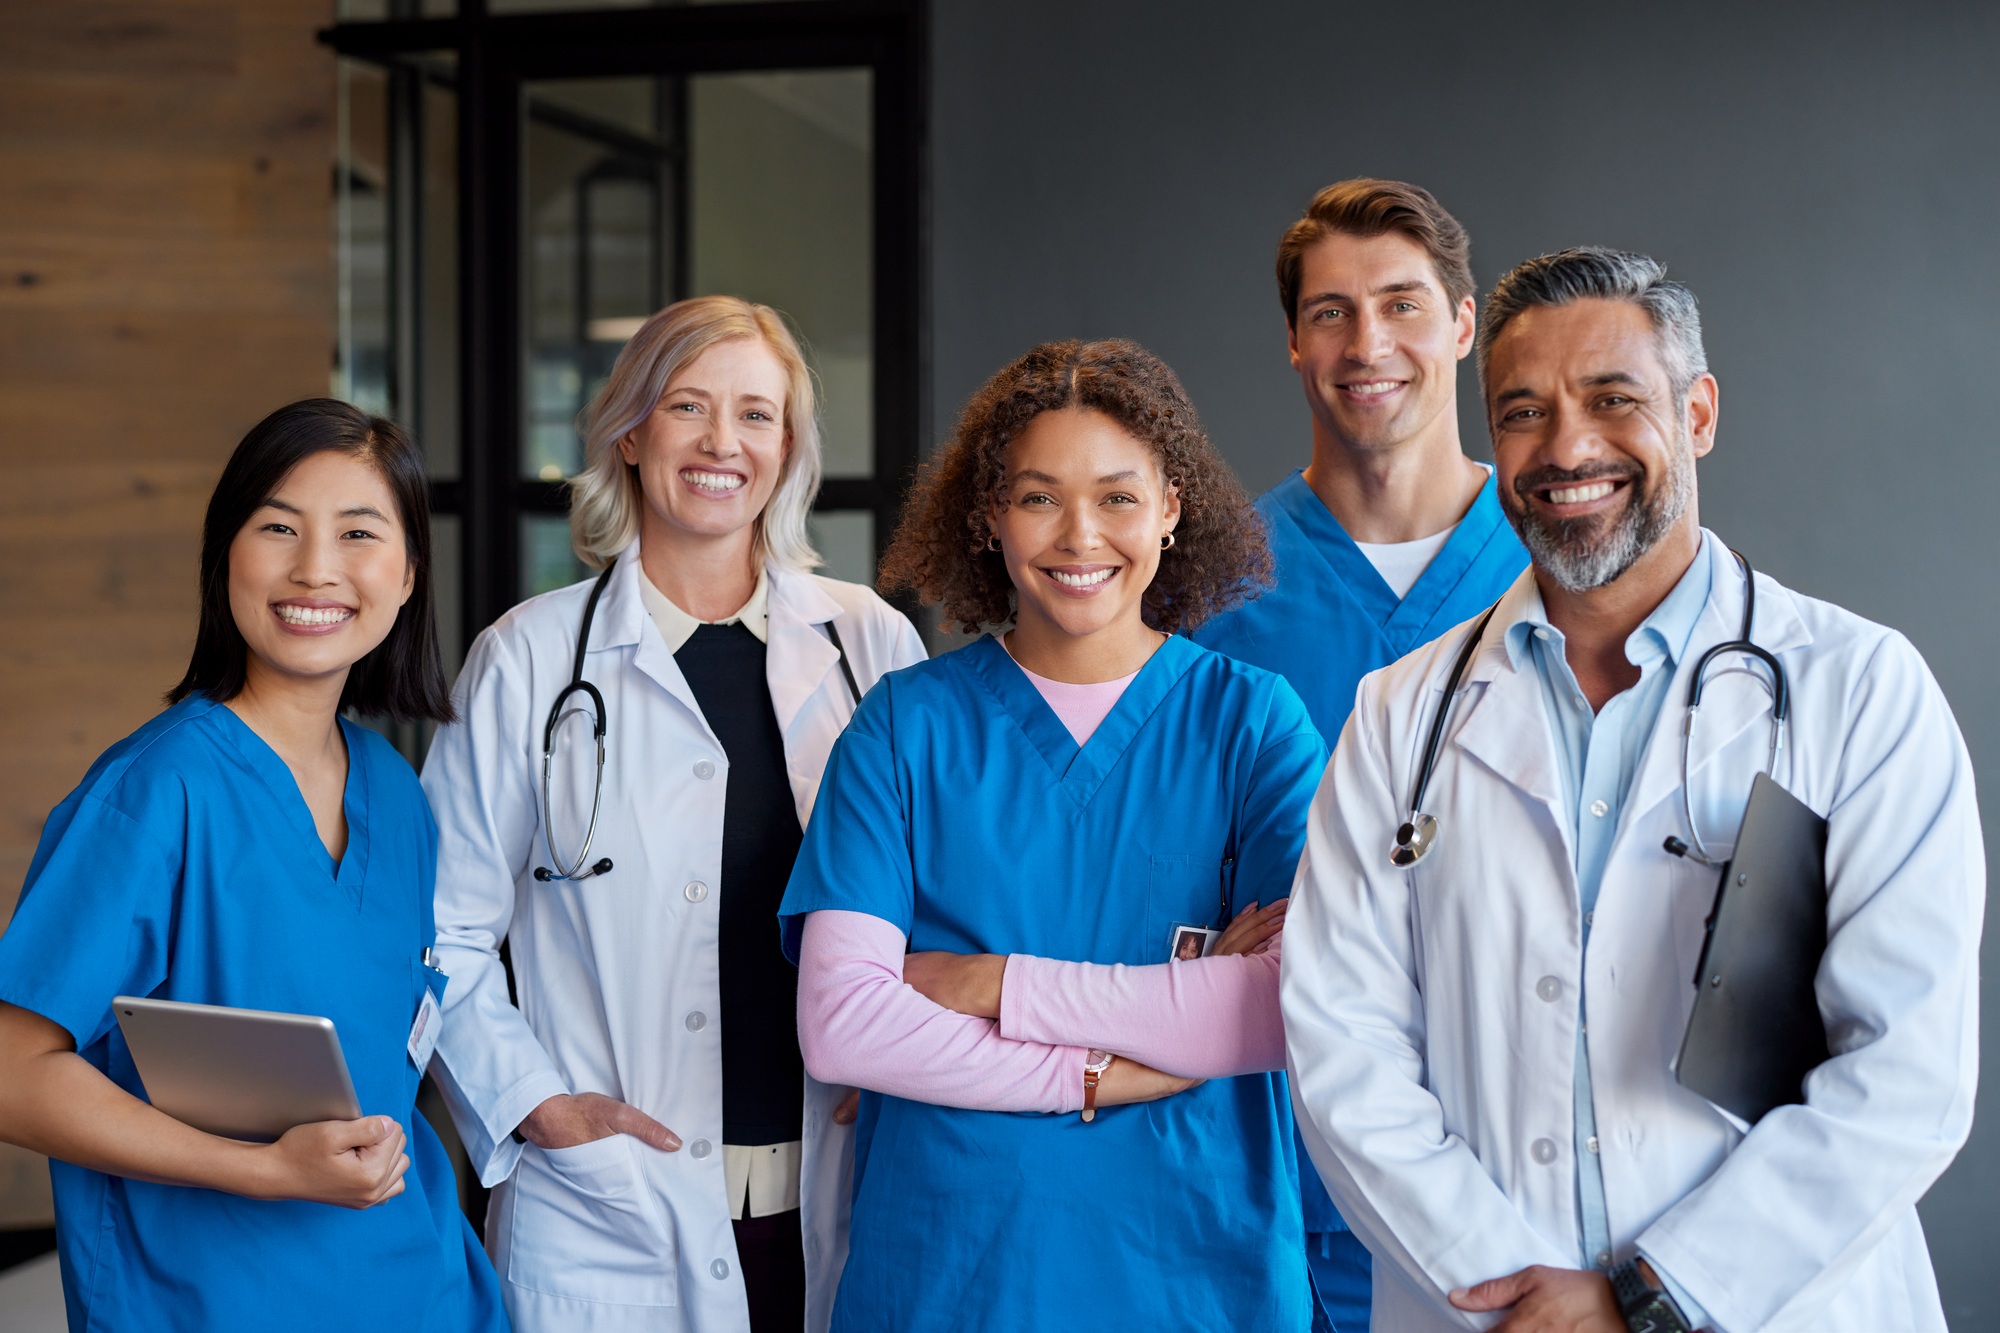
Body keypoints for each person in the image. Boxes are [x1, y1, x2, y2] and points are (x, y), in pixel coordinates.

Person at [1282, 248, 1982, 1332]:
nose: (1566, 448)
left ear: (1696, 414)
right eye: (1523, 412)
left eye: (1612, 399)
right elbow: (1341, 1049)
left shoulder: (1857, 692)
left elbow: (1904, 1069)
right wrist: (1521, 1302)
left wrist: (1651, 1298)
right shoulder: (1398, 717)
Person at [779, 339, 1326, 1331]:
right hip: (954, 1275)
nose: (1080, 535)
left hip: (1194, 1276)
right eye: (1038, 497)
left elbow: (1284, 1010)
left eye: (1118, 497)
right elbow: (843, 1023)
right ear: (989, 515)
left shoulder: (1252, 725)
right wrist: (1111, 1066)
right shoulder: (904, 727)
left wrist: (992, 983)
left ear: (1170, 508)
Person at [421, 296, 924, 1333]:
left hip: (838, 1191)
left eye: (755, 414)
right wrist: (533, 1105)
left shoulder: (867, 644)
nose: (720, 442)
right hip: (613, 1207)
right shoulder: (527, 658)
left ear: (788, 449)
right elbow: (442, 931)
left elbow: (939, 902)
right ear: (629, 433)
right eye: (687, 405)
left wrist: (907, 1043)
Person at [0, 400, 505, 1332]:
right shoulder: (157, 791)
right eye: (278, 527)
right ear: (224, 554)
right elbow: (12, 1072)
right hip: (208, 1302)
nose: (315, 567)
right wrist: (264, 1169)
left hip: (419, 1291)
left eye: (359, 532)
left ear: (406, 575)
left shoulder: (396, 794)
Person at [1193, 177, 1529, 1332]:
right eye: (1329, 312)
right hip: (1281, 1171)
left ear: (1463, 324)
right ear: (1292, 342)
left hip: (1514, 1164)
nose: (1366, 343)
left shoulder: (1559, 567)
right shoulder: (1208, 590)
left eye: (1400, 304)